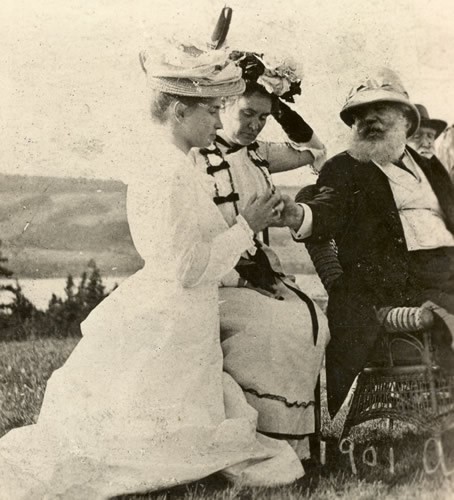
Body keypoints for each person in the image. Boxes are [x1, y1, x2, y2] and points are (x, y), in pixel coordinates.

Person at [0, 42, 305, 499]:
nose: (221, 123)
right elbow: (187, 268)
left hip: (181, 317)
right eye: (211, 112)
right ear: (180, 111)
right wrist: (248, 226)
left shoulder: (171, 164)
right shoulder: (169, 173)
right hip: (174, 316)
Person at [277, 68, 454, 417]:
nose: (369, 118)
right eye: (360, 113)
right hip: (397, 285)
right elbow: (328, 205)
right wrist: (300, 215)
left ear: (406, 119)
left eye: (381, 109)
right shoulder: (346, 169)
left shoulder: (429, 168)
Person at [190, 50, 329, 463]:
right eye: (247, 113)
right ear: (225, 104)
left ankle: (294, 444)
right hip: (217, 279)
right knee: (277, 323)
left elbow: (316, 152)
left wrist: (277, 102)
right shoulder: (197, 156)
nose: (254, 126)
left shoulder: (259, 154)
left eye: (263, 118)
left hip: (259, 274)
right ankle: (260, 440)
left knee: (313, 320)